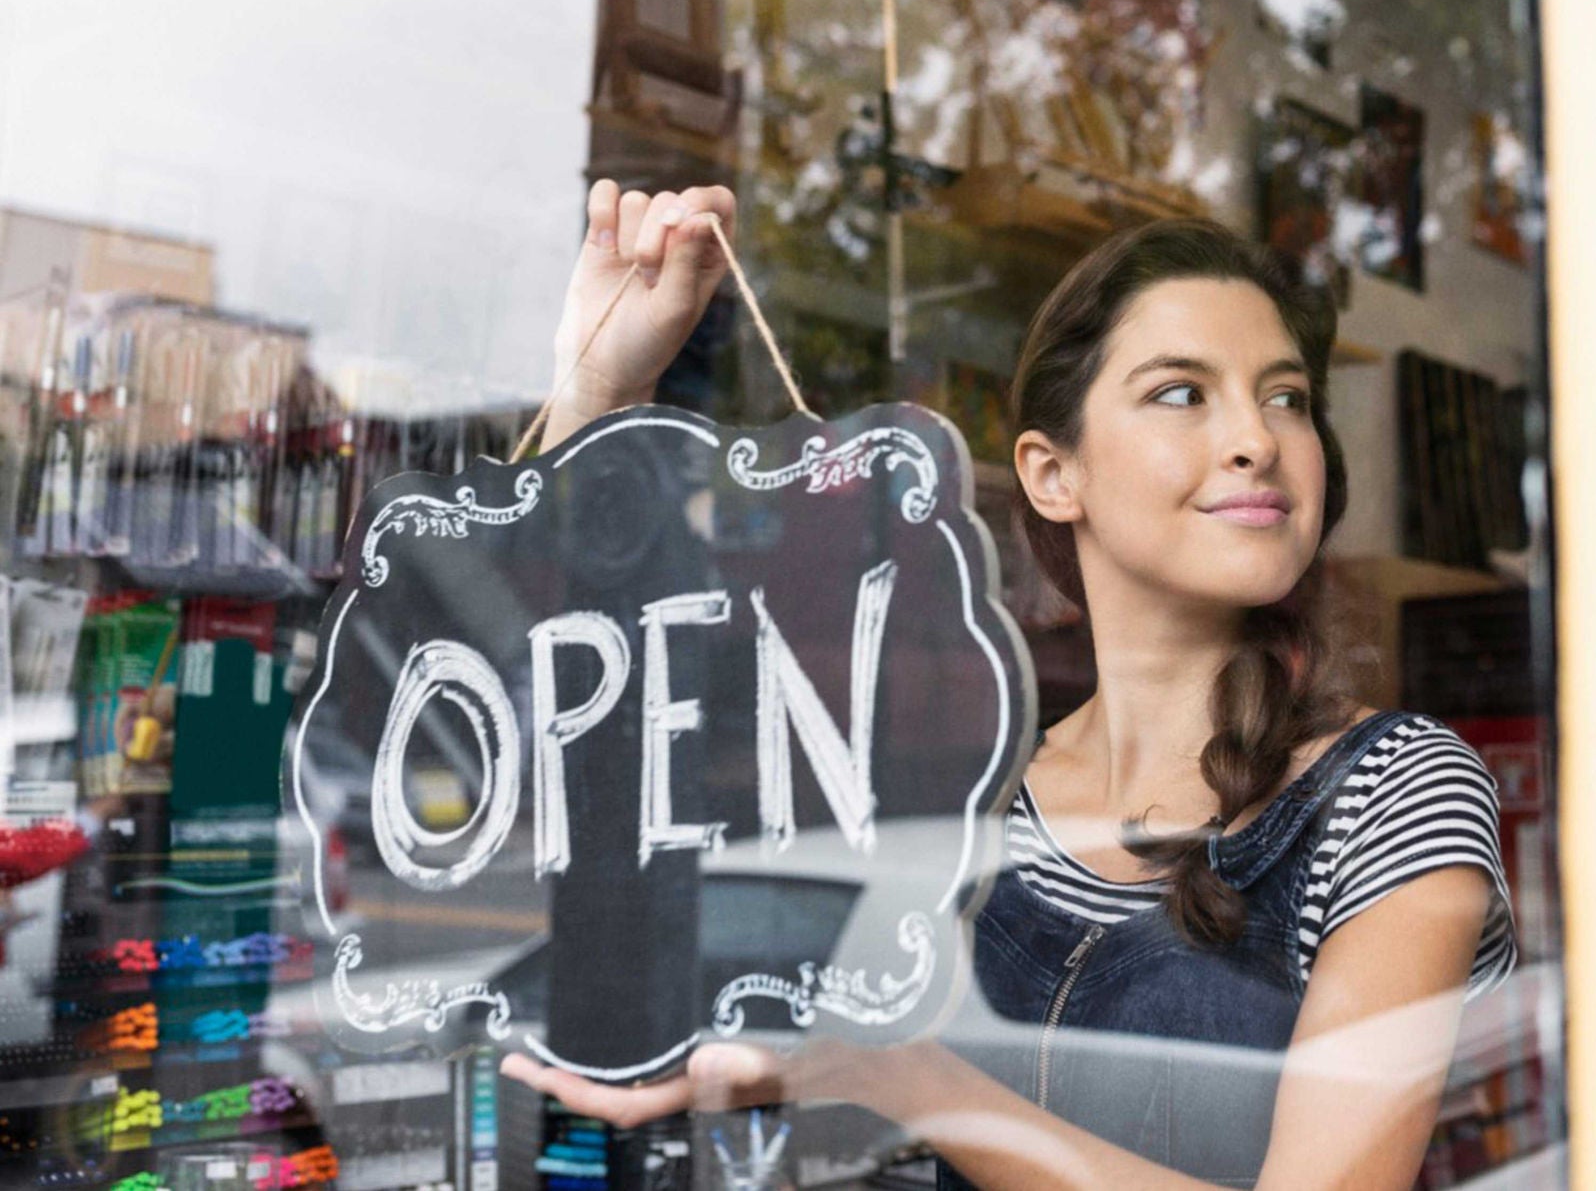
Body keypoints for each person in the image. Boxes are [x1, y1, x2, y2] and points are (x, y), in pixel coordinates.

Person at [502, 180, 1519, 1190]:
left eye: (1285, 397)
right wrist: (595, 391)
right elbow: (614, 755)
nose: (1256, 438)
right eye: (1181, 392)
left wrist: (900, 1075)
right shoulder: (971, 785)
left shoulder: (1392, 795)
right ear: (1048, 472)